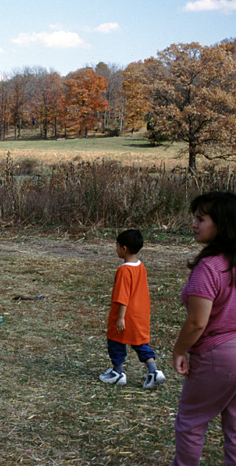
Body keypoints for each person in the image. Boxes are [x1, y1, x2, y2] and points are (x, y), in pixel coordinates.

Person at [172, 191, 236, 465]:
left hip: (216, 355)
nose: (194, 224)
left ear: (221, 224)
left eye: (201, 219)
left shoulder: (210, 268)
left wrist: (178, 350)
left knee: (191, 422)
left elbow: (198, 322)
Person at [99, 229, 165, 389]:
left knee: (116, 341)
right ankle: (154, 371)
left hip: (125, 314)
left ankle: (118, 373)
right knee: (139, 343)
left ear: (124, 248)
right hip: (139, 314)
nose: (115, 249)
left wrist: (120, 318)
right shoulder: (140, 266)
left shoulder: (124, 270)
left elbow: (122, 296)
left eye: (117, 246)